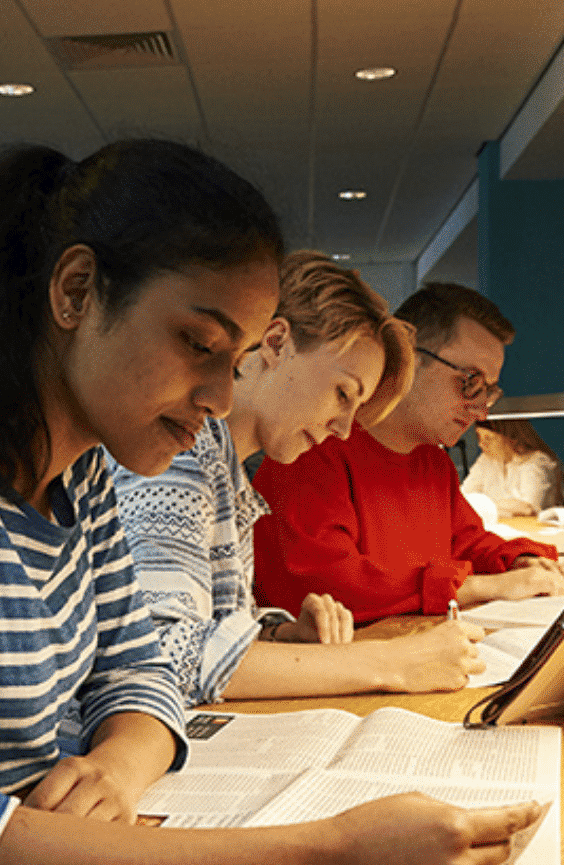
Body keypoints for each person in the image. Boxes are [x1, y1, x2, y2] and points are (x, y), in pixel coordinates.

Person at [0, 141, 544, 865]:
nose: (220, 397)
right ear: (76, 292)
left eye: (229, 357)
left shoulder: (82, 477)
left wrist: (116, 772)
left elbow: (143, 675)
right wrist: (328, 862)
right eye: (196, 344)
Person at [111, 251, 486, 701]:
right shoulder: (179, 455)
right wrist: (393, 663)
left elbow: (207, 626)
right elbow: (164, 654)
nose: (344, 428)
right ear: (275, 343)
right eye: (342, 393)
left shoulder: (224, 469)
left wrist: (283, 638)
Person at [252, 282, 564, 624]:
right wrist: (486, 588)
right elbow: (326, 587)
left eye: (488, 392)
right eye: (469, 381)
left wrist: (518, 561)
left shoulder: (433, 461)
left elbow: (468, 542)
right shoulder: (308, 447)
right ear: (408, 355)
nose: (480, 411)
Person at [461, 418, 564, 517]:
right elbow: (463, 495)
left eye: (488, 438)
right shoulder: (487, 460)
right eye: (479, 437)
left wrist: (482, 505)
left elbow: (527, 508)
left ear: (513, 438)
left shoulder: (537, 462)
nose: (481, 444)